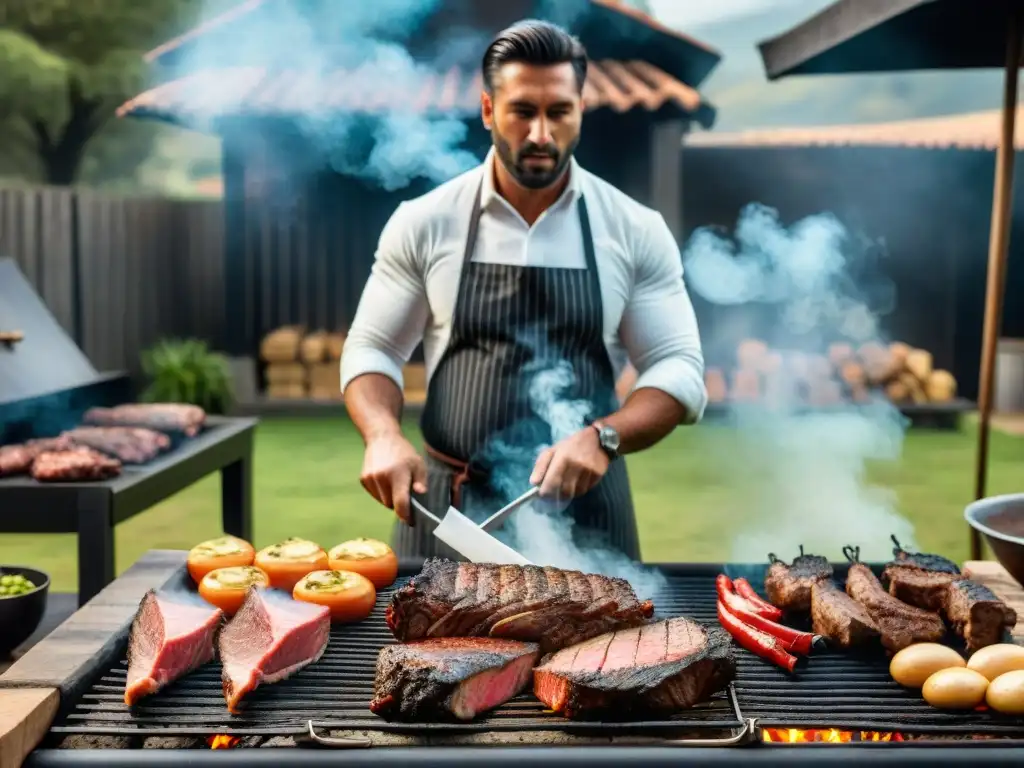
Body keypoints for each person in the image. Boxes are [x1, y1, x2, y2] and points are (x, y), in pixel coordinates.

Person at [340, 19, 707, 561]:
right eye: (522, 111)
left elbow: (677, 365)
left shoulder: (633, 228)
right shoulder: (425, 222)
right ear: (489, 110)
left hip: (587, 517)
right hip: (450, 512)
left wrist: (603, 437)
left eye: (558, 111)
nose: (540, 134)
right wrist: (382, 434)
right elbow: (375, 348)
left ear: (580, 110)